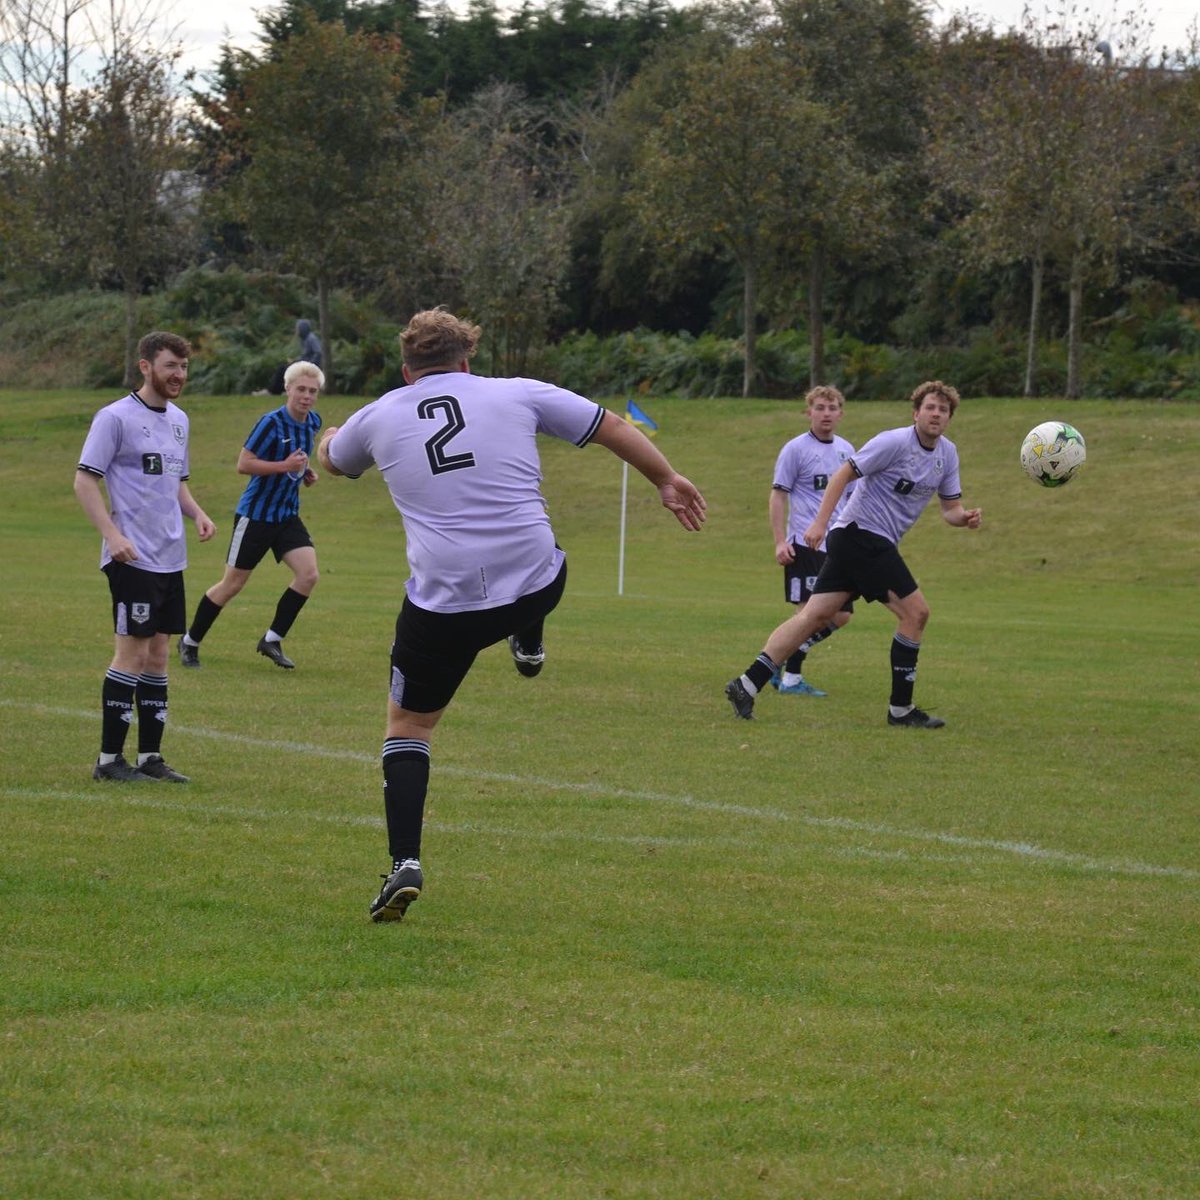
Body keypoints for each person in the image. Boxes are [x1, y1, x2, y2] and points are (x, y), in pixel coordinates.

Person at [317, 307, 707, 922]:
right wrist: (665, 477)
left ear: (407, 370)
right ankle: (527, 638)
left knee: (409, 727)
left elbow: (333, 463)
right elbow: (608, 425)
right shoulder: (518, 391)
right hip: (534, 583)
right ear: (467, 361)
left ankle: (405, 863)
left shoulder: (380, 413)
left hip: (445, 603)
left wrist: (330, 436)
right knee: (545, 557)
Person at [725, 380, 982, 728]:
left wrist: (964, 519)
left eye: (943, 410)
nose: (936, 414)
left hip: (863, 541)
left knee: (813, 616)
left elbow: (950, 508)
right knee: (916, 613)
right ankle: (901, 710)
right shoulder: (893, 442)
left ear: (950, 417)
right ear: (916, 413)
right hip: (861, 535)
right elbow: (842, 475)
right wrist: (820, 523)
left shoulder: (947, 454)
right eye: (930, 408)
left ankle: (745, 684)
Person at [74, 331, 216, 783]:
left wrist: (197, 513)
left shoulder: (179, 420)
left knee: (158, 655)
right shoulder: (115, 418)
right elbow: (84, 481)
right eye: (171, 365)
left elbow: (176, 482)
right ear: (145, 366)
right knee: (131, 654)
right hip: (132, 557)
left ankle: (150, 758)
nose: (179, 375)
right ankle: (108, 761)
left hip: (171, 557)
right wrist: (112, 535)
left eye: (184, 367)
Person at [179, 361, 324, 671]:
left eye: (312, 391)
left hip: (286, 515)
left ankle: (272, 639)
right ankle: (190, 641)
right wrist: (285, 467)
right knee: (232, 584)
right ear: (288, 388)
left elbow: (298, 458)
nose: (307, 396)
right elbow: (244, 464)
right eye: (301, 389)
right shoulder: (270, 423)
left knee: (309, 574)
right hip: (256, 516)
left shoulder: (313, 422)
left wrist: (306, 472)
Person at [768, 385, 856, 697]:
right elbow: (778, 496)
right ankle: (792, 679)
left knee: (842, 615)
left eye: (832, 408)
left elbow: (852, 497)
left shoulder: (847, 451)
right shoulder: (795, 449)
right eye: (819, 408)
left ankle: (779, 656)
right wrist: (780, 542)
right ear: (809, 412)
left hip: (837, 547)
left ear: (841, 413)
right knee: (808, 615)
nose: (826, 414)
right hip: (805, 544)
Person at [265, 319, 322, 395]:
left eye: (298, 329)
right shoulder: (305, 339)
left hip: (308, 365)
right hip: (303, 363)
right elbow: (305, 355)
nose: (297, 331)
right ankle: (275, 390)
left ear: (303, 328)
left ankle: (273, 390)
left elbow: (318, 353)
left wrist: (310, 364)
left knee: (283, 369)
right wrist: (296, 360)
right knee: (282, 369)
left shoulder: (312, 339)